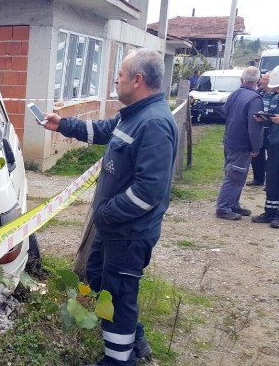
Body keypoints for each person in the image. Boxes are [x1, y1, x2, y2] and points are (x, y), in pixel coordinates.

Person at [41, 49, 177, 366]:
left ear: (137, 80)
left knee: (119, 293)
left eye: (119, 75)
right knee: (100, 281)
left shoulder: (154, 123)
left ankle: (118, 360)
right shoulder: (133, 114)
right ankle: (133, 337)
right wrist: (63, 125)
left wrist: (106, 213)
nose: (116, 80)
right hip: (113, 228)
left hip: (128, 232)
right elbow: (104, 131)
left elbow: (149, 192)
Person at [215, 67, 264, 220]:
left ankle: (233, 205)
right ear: (257, 81)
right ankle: (223, 208)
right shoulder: (254, 99)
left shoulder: (235, 93)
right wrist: (256, 146)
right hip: (241, 144)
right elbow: (254, 126)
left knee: (236, 175)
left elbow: (224, 110)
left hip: (229, 139)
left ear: (242, 80)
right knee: (235, 176)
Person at [251, 65, 279, 229]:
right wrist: (264, 119)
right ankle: (270, 212)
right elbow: (274, 119)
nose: (278, 90)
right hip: (274, 147)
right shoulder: (276, 98)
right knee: (272, 181)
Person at [248, 73, 279, 186]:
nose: (261, 81)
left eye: (264, 79)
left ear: (271, 82)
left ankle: (271, 183)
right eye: (261, 78)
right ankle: (258, 179)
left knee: (272, 157)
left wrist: (265, 117)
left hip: (272, 129)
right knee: (257, 155)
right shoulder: (258, 93)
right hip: (259, 128)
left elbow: (276, 113)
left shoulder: (278, 95)